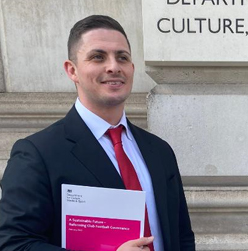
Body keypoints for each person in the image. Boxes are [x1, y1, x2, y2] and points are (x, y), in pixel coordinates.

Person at [0, 15, 195, 251]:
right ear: (72, 70)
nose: (113, 66)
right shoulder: (38, 154)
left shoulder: (159, 151)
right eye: (98, 57)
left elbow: (182, 235)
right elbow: (14, 244)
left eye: (122, 57)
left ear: (131, 69)